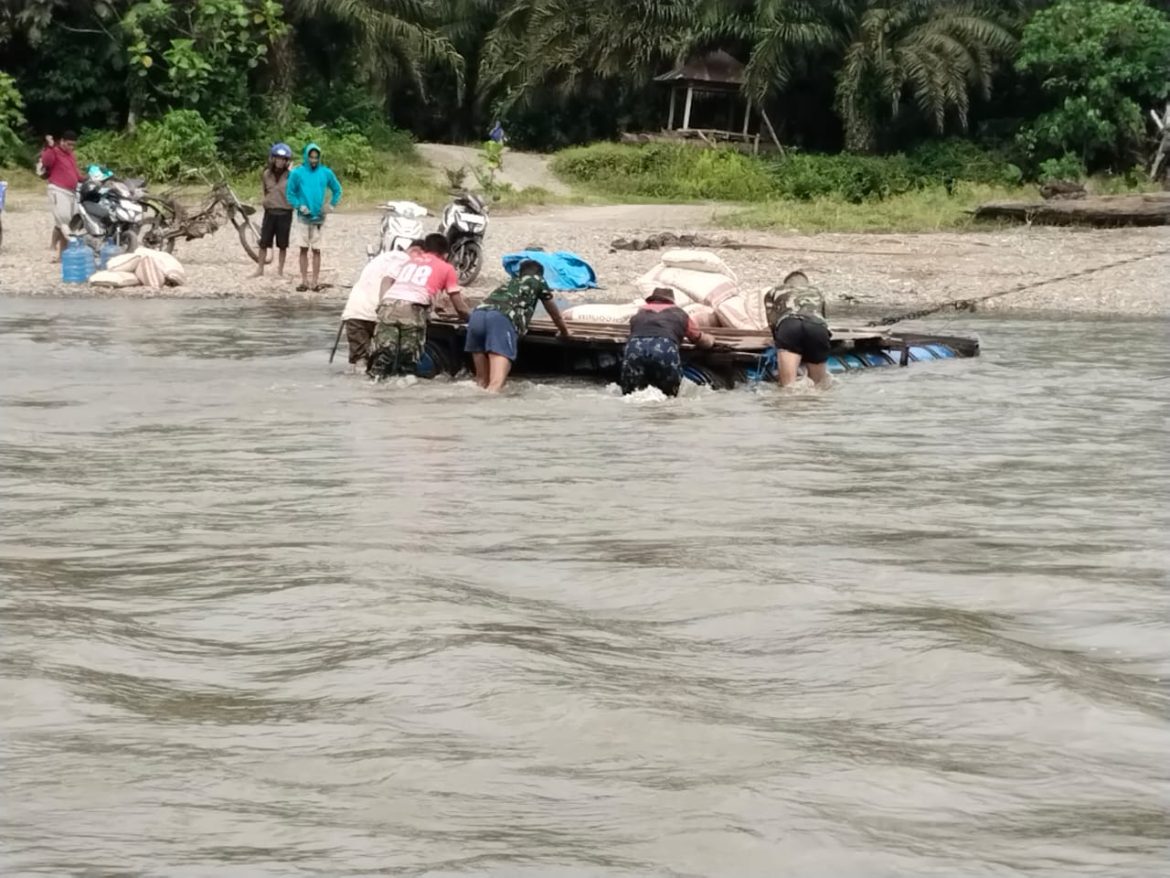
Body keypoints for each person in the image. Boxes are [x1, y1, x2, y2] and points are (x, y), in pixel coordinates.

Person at [369, 234, 470, 378]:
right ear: (446, 254)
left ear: (426, 249)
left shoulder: (410, 262)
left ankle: (373, 385)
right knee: (408, 360)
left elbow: (389, 281)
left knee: (384, 355)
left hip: (387, 305)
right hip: (413, 309)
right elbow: (459, 306)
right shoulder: (447, 268)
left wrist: (381, 303)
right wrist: (470, 318)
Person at [465, 259, 570, 393]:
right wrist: (564, 331)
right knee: (496, 385)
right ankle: (488, 413)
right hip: (500, 319)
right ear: (540, 274)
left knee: (481, 383)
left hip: (477, 316)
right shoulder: (537, 280)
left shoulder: (510, 282)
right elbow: (555, 314)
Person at [340, 240, 422, 372]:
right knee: (383, 361)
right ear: (415, 251)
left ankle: (358, 386)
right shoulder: (406, 261)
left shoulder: (382, 257)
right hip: (378, 313)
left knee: (360, 361)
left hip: (354, 311)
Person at [621, 287, 717, 397]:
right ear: (671, 301)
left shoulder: (639, 315)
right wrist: (711, 340)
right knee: (669, 396)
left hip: (635, 348)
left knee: (631, 394)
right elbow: (699, 340)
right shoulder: (680, 314)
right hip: (664, 348)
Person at [285, 142, 342, 292]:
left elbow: (337, 190)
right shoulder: (297, 173)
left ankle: (315, 281)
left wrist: (331, 206)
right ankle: (304, 280)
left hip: (319, 219)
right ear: (306, 156)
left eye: (316, 158)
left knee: (317, 250)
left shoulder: (326, 172)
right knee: (303, 249)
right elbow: (290, 193)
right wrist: (299, 205)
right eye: (311, 157)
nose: (314, 160)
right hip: (303, 218)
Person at [765, 270, 832, 388]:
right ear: (806, 283)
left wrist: (778, 342)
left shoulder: (775, 291)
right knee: (820, 387)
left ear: (786, 283)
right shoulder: (817, 292)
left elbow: (772, 322)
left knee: (788, 387)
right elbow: (823, 319)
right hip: (817, 327)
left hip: (789, 326)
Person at [39, 131, 84, 261]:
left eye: (73, 145)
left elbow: (76, 173)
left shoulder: (71, 155)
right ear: (62, 141)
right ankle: (55, 250)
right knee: (64, 221)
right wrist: (50, 147)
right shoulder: (54, 151)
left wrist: (86, 178)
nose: (71, 147)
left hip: (71, 192)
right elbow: (46, 162)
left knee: (67, 223)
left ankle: (62, 252)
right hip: (58, 190)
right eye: (69, 144)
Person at [253, 143, 294, 278]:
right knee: (264, 242)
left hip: (285, 213)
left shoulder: (291, 176)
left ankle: (280, 271)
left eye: (283, 159)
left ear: (287, 161)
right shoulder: (266, 174)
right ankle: (260, 269)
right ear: (273, 159)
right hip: (270, 212)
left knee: (282, 245)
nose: (280, 162)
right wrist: (267, 202)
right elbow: (265, 191)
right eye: (277, 158)